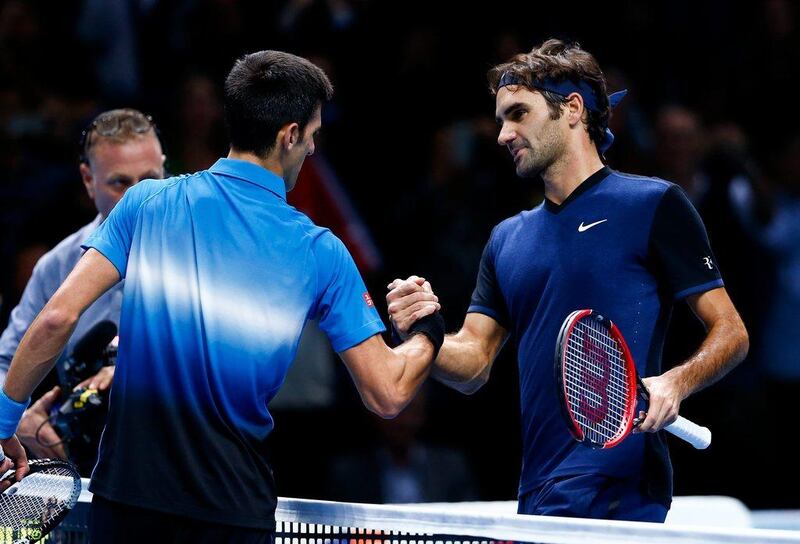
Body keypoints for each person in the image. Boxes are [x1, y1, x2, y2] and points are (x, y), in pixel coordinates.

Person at [0, 50, 443, 542]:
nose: (313, 150)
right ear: (289, 135)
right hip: (231, 515)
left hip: (126, 505)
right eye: (313, 136)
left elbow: (56, 318)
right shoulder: (319, 250)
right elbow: (388, 393)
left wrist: (3, 422)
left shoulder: (146, 203)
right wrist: (427, 330)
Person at [387, 39, 749, 523]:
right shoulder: (506, 238)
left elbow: (732, 332)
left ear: (572, 109)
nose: (503, 134)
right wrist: (426, 332)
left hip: (620, 485)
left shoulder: (653, 204)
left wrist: (675, 382)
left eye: (517, 114)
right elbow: (473, 365)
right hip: (539, 492)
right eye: (500, 120)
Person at [0, 108, 166, 463]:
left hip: (185, 468)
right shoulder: (58, 267)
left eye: (151, 180)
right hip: (88, 468)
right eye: (120, 183)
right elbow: (5, 362)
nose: (139, 199)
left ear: (166, 169)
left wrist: (135, 373)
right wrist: (15, 422)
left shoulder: (205, 254)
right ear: (88, 180)